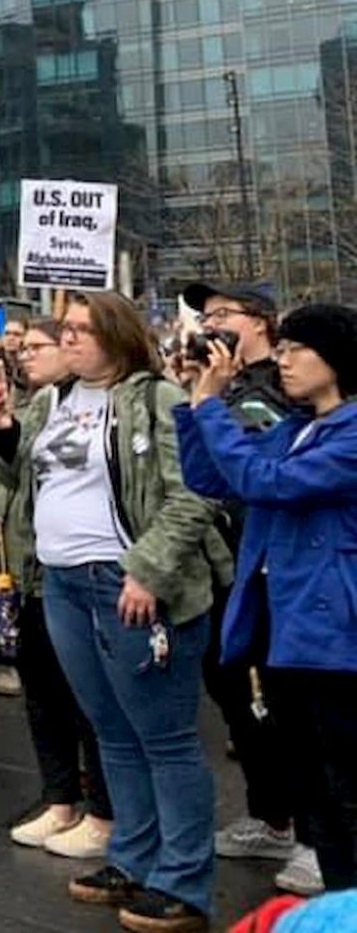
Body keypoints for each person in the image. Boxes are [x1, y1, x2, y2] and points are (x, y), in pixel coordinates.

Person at [0, 291, 226, 933]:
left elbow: (195, 490)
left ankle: (183, 881)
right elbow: (16, 483)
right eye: (64, 329)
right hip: (60, 583)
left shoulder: (156, 399)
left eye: (82, 330)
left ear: (116, 336)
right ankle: (134, 858)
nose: (68, 339)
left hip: (130, 585)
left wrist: (149, 567)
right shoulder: (50, 402)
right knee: (111, 731)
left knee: (165, 737)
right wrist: (1, 433)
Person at [180, 303, 357, 896]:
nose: (280, 360)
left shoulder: (352, 432)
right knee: (313, 783)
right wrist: (201, 400)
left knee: (344, 787)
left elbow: (268, 483)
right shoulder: (298, 425)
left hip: (336, 638)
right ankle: (337, 901)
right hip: (288, 629)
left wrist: (210, 408)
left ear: (335, 358)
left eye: (294, 349)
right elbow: (214, 478)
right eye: (278, 350)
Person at [0, 318, 115, 860]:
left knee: (87, 697)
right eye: (24, 347)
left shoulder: (110, 403)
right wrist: (0, 428)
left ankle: (103, 809)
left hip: (84, 572)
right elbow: (9, 476)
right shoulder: (38, 406)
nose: (26, 355)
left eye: (40, 347)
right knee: (43, 693)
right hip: (28, 568)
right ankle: (59, 799)